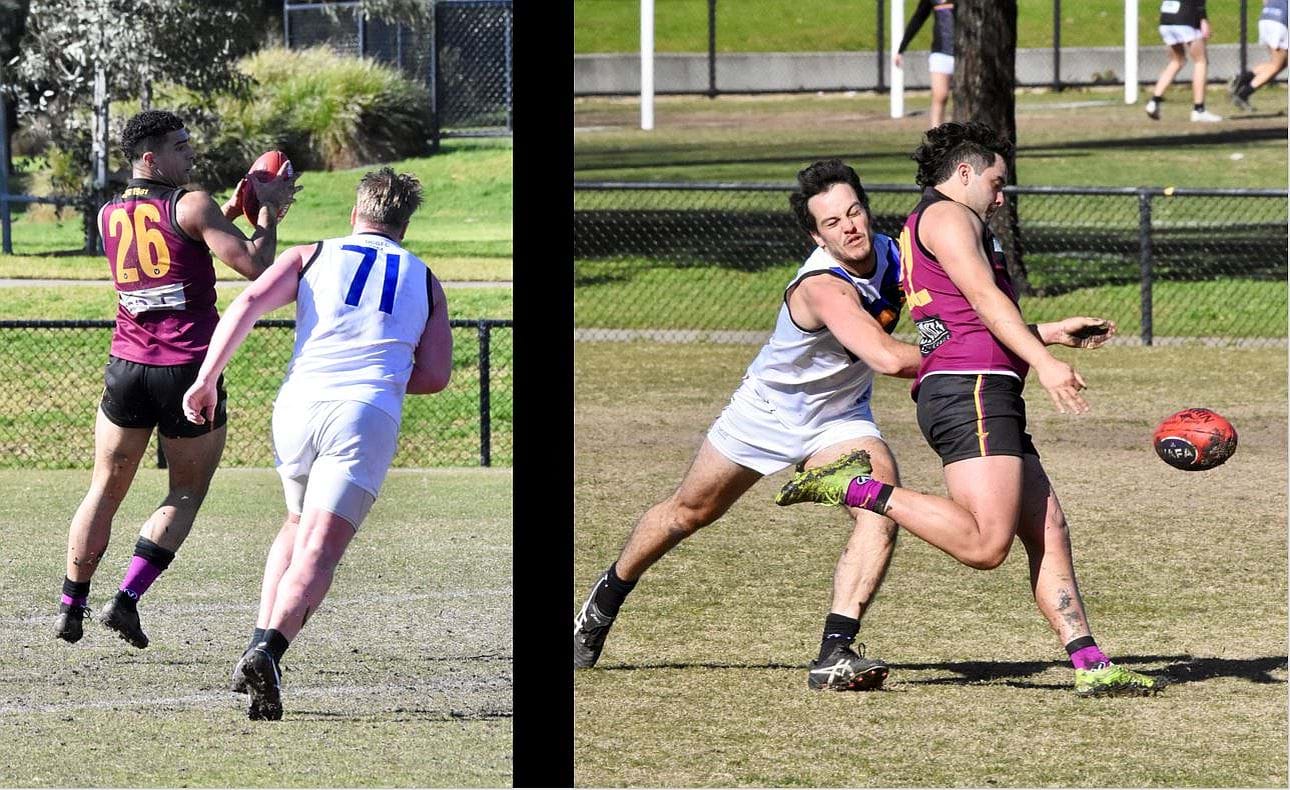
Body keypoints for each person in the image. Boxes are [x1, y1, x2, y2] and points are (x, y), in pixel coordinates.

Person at [776, 123, 1166, 697]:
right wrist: (1047, 362)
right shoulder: (949, 217)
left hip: (978, 383)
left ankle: (1090, 664)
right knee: (986, 545)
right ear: (964, 173)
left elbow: (962, 320)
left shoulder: (935, 221)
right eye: (996, 181)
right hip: (971, 390)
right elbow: (983, 301)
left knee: (1048, 526)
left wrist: (1049, 333)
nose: (1001, 195)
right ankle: (853, 489)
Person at [573, 159, 922, 691]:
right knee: (688, 513)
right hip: (765, 414)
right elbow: (889, 358)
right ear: (816, 235)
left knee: (881, 508)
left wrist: (1027, 332)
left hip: (840, 420)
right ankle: (606, 598)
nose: (849, 226)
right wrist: (976, 359)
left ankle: (834, 652)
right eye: (832, 222)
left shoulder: (896, 254)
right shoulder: (821, 285)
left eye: (854, 211)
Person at [182, 167, 452, 720]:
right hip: (363, 412)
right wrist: (385, 369)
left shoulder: (313, 253)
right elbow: (436, 375)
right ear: (404, 223)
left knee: (295, 523)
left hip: (298, 405)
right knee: (321, 549)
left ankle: (258, 636)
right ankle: (268, 650)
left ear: (356, 215)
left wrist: (206, 379)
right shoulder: (424, 280)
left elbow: (250, 302)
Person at [54, 109, 299, 649]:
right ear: (150, 157)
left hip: (127, 367)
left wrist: (231, 208)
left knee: (104, 487)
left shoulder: (107, 214)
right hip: (188, 372)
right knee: (186, 491)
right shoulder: (191, 203)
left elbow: (175, 239)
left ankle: (72, 604)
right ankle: (125, 600)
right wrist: (270, 214)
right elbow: (256, 265)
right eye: (181, 146)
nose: (191, 153)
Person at [1145, 0, 1222, 122]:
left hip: (1166, 18)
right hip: (1185, 17)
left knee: (1177, 61)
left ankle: (1154, 101)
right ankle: (1199, 109)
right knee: (1201, 61)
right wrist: (1203, 19)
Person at [894, 0, 955, 129]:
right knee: (940, 95)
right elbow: (918, 19)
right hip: (941, 52)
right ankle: (936, 136)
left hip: (966, 54)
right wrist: (901, 49)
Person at [1229, 0, 1287, 111]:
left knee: (1280, 63)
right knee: (1276, 65)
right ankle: (1243, 93)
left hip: (1267, 16)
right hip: (1280, 20)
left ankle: (1241, 79)